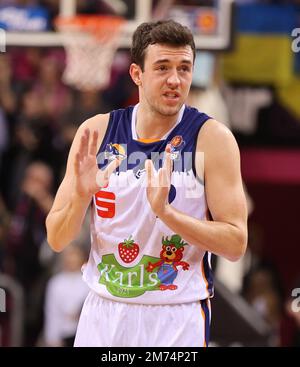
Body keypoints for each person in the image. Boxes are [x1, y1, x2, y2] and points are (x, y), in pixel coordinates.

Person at [46, 20, 248, 347]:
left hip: (175, 313)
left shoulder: (213, 138)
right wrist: (81, 198)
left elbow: (236, 243)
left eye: (184, 68)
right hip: (105, 310)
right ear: (137, 74)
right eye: (162, 67)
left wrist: (167, 213)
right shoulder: (96, 132)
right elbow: (57, 238)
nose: (175, 79)